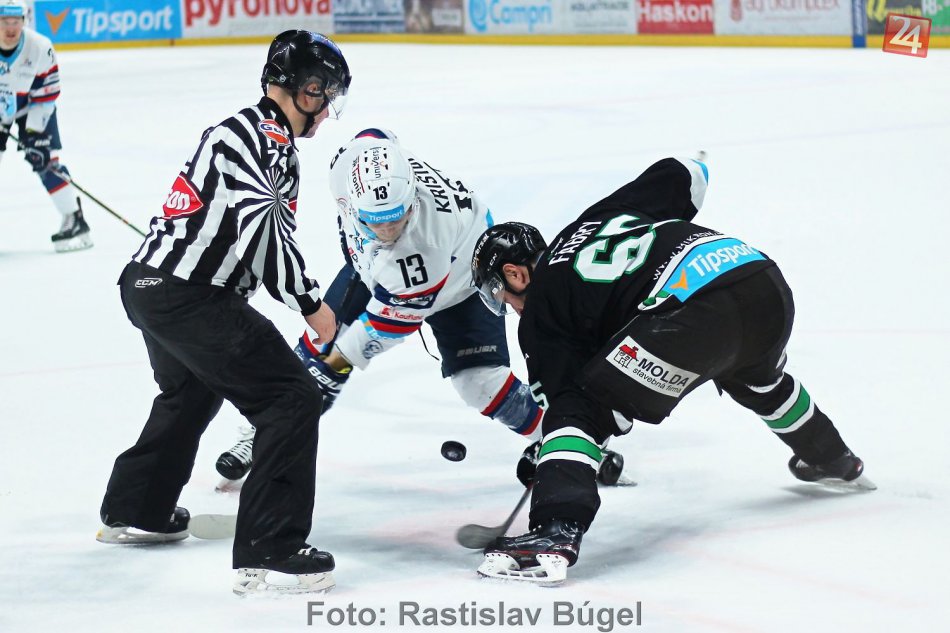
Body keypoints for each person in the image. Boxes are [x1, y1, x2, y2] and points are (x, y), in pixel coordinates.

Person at [470, 156, 874, 584]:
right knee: (758, 379)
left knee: (581, 409)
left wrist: (551, 458)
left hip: (691, 315)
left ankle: (554, 533)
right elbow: (684, 173)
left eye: (500, 294)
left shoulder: (540, 314)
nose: (509, 307)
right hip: (760, 280)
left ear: (515, 274)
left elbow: (565, 414)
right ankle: (833, 458)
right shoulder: (595, 219)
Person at [214, 130, 627, 488]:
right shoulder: (350, 163)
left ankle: (564, 439)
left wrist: (337, 363)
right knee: (318, 341)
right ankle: (261, 431)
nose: (387, 231)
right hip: (375, 270)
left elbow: (387, 325)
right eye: (376, 222)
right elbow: (378, 137)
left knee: (478, 383)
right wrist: (328, 357)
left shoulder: (422, 249)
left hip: (464, 279)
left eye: (396, 219)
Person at [96, 30, 352, 596]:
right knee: (291, 398)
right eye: (324, 94)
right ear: (302, 88)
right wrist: (312, 304)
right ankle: (271, 550)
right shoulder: (265, 140)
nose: (326, 109)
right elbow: (262, 234)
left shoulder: (241, 130)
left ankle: (138, 509)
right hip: (190, 296)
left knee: (190, 391)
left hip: (149, 285)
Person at [0, 0, 91, 252]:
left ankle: (74, 219)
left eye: (15, 22)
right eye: (4, 22)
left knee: (45, 160)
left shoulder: (40, 47)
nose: (10, 28)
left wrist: (34, 133)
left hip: (33, 105)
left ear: (24, 21)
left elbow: (47, 93)